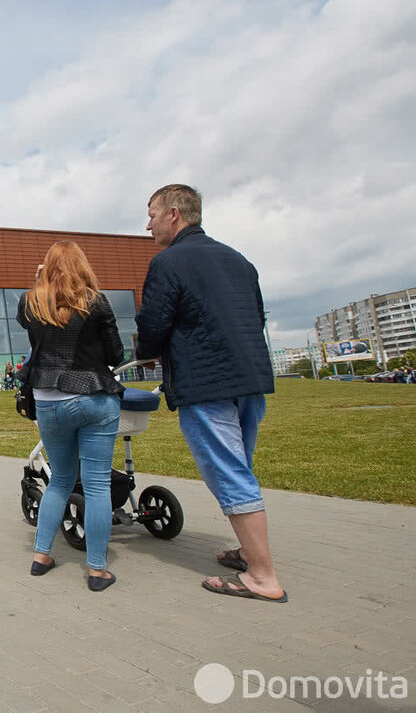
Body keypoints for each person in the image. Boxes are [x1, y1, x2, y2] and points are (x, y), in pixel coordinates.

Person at [135, 184, 285, 603]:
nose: (147, 224)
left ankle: (262, 576)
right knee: (241, 469)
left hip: (206, 383)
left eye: (152, 214)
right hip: (249, 379)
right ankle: (248, 554)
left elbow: (153, 325)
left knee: (229, 473)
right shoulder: (239, 260)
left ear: (174, 215)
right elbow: (255, 316)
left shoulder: (167, 263)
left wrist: (145, 353)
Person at [17, 241, 125, 593]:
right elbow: (115, 353)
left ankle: (41, 556)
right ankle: (96, 570)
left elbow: (28, 325)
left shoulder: (30, 301)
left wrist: (39, 284)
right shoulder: (96, 300)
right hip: (93, 397)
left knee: (60, 480)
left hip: (47, 400)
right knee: (95, 486)